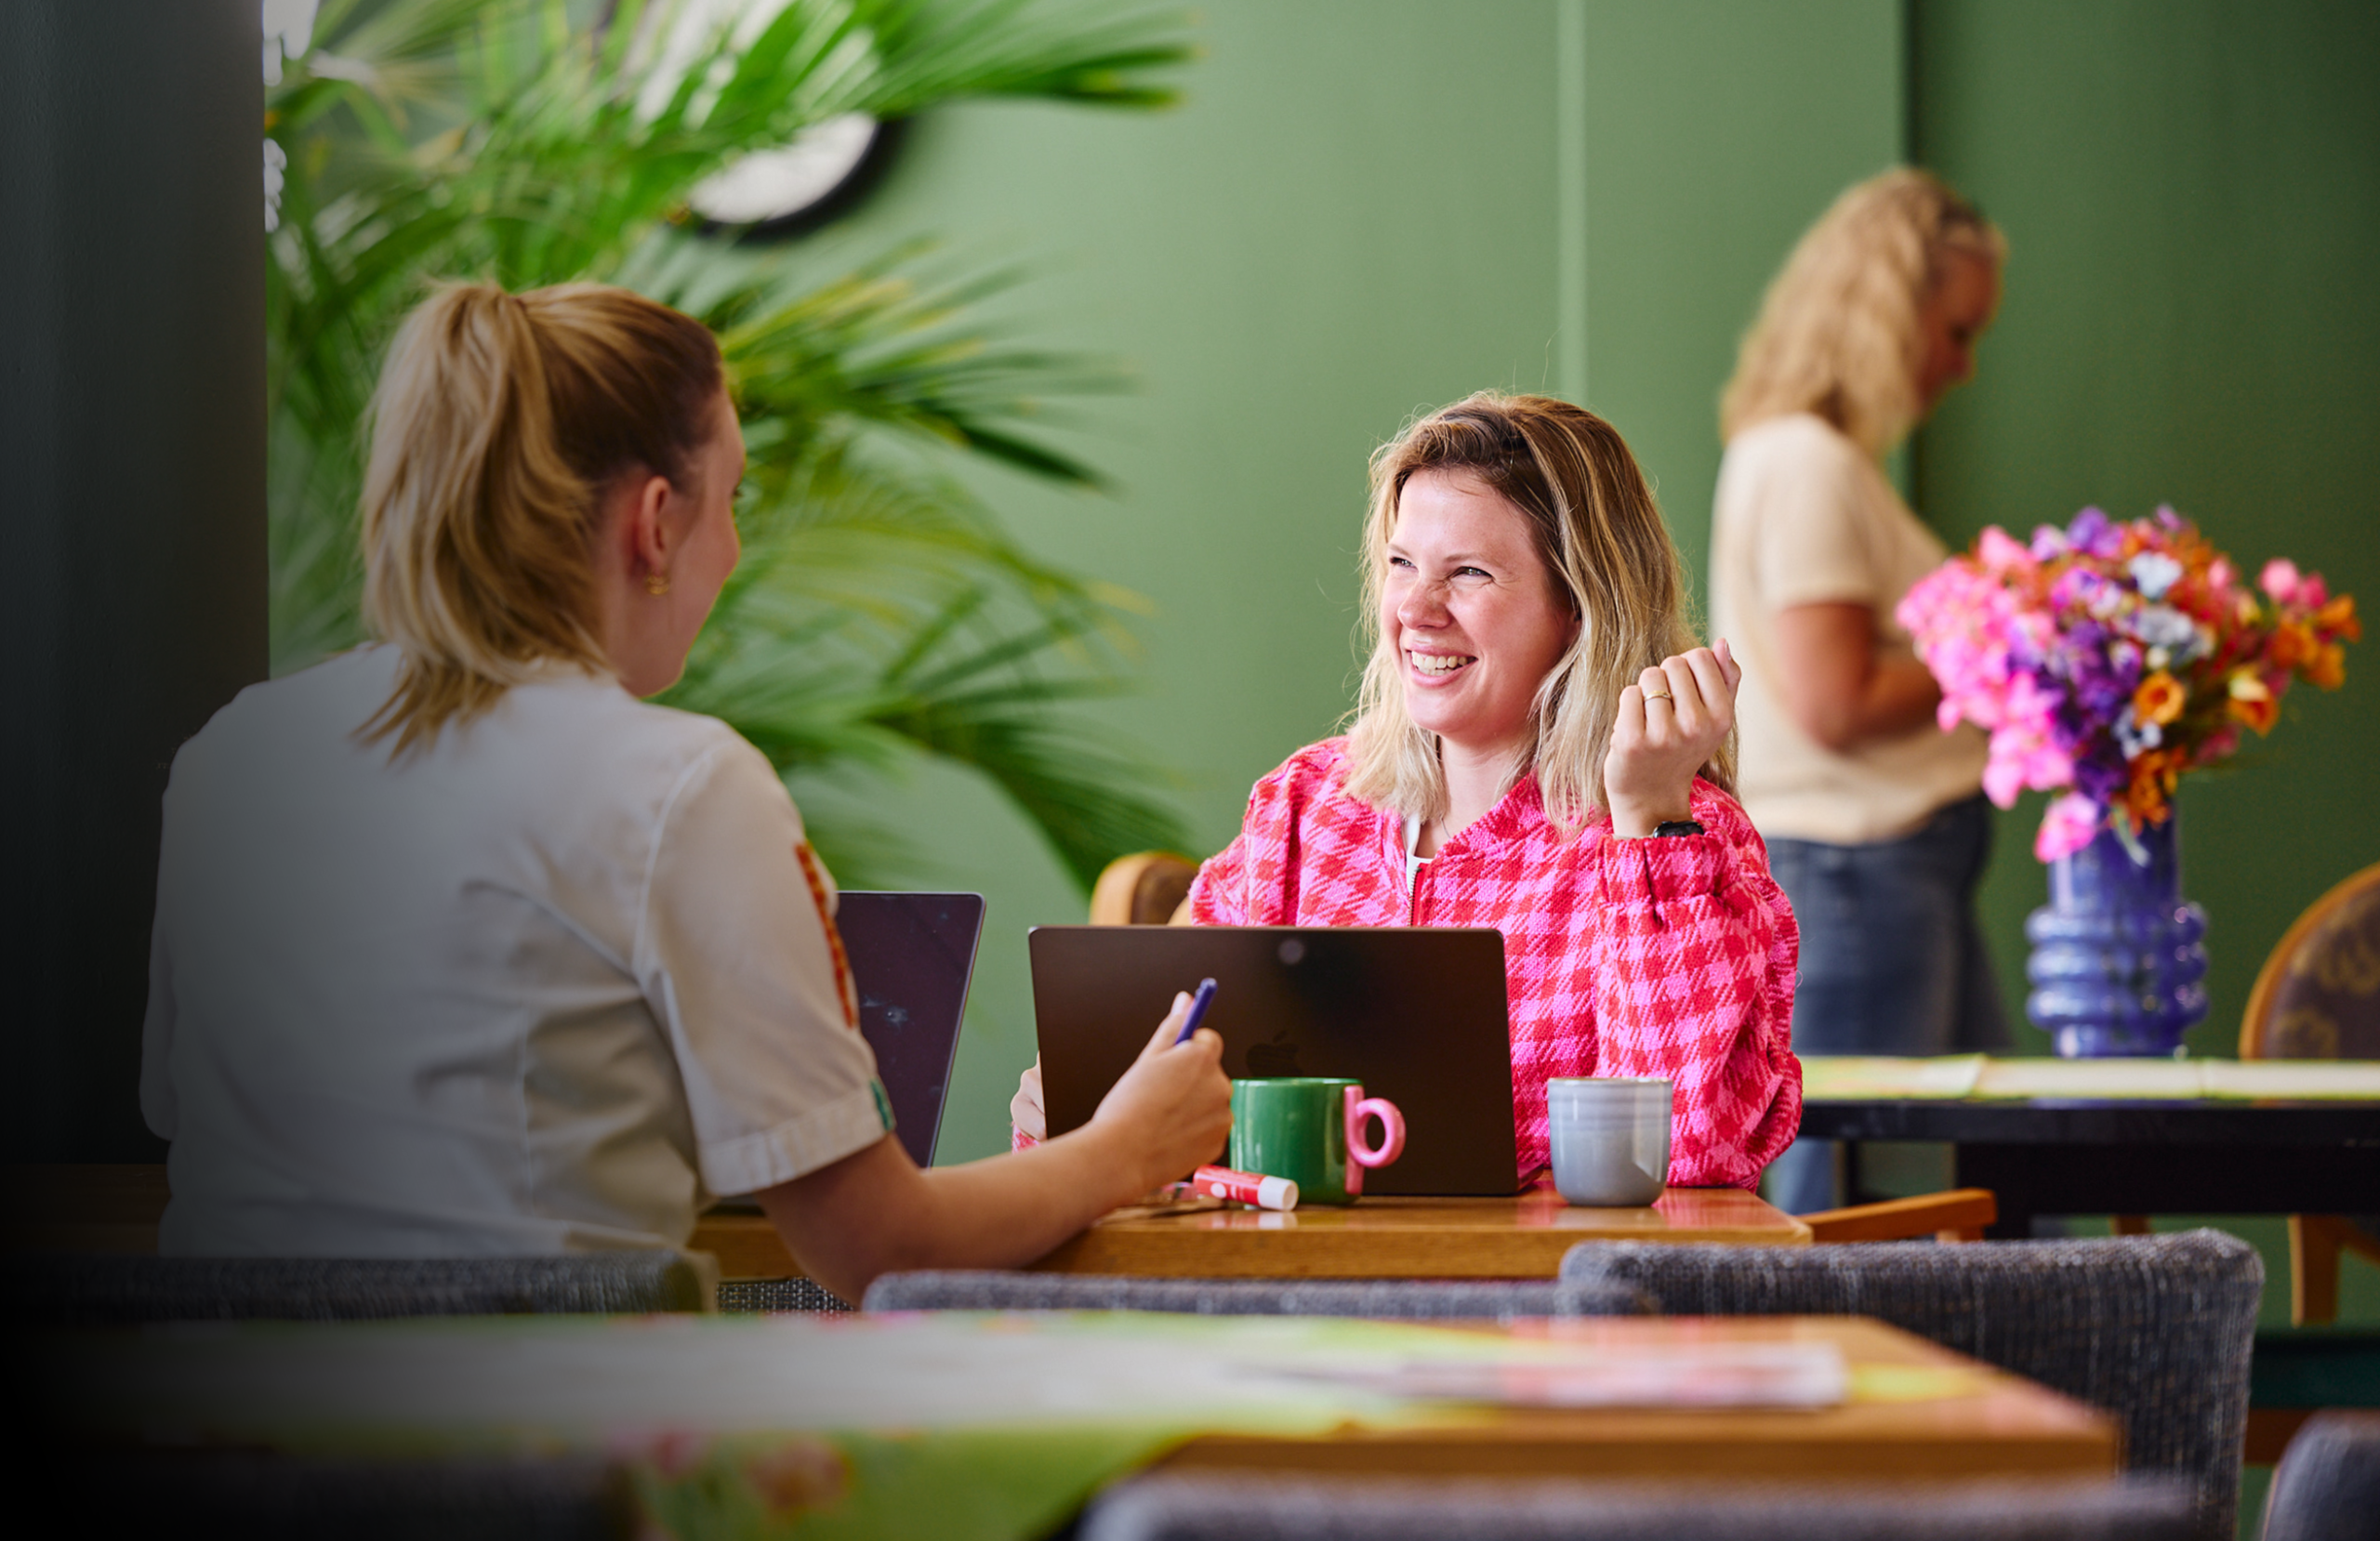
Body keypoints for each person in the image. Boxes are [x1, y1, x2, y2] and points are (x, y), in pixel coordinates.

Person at [139, 282, 1231, 1301]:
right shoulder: (681, 785)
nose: (735, 546)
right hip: (539, 1460)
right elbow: (879, 1250)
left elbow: (193, 1120)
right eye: (732, 499)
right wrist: (1122, 1148)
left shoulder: (231, 755)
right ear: (654, 523)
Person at [1015, 394, 1802, 1189]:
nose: (1417, 612)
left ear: (1579, 608)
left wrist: (1647, 821)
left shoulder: (1679, 832)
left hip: (1529, 1300)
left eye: (1468, 573)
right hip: (1282, 1298)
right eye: (1401, 565)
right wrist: (1079, 1102)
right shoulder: (1306, 807)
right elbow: (1150, 1060)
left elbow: (1686, 1156)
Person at [1709, 168, 2008, 1214]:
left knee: (1990, 1168)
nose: (1962, 367)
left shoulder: (1811, 461)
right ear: (1893, 313)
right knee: (1829, 1195)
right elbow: (1830, 699)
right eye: (1956, 332)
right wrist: (2008, 653)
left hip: (1887, 872)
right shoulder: (1805, 465)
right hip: (1857, 876)